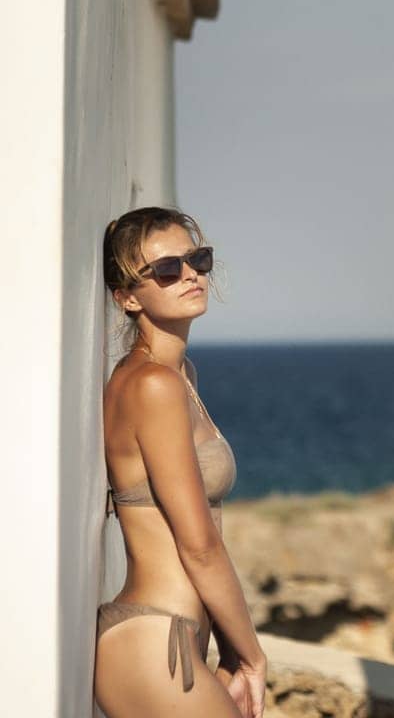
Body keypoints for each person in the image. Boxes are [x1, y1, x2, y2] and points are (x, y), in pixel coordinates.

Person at [94, 208, 268, 718]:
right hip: (154, 641)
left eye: (197, 259)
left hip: (176, 638)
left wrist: (231, 650)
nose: (190, 274)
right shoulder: (154, 385)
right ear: (127, 297)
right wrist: (254, 658)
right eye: (167, 269)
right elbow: (199, 545)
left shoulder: (179, 374)